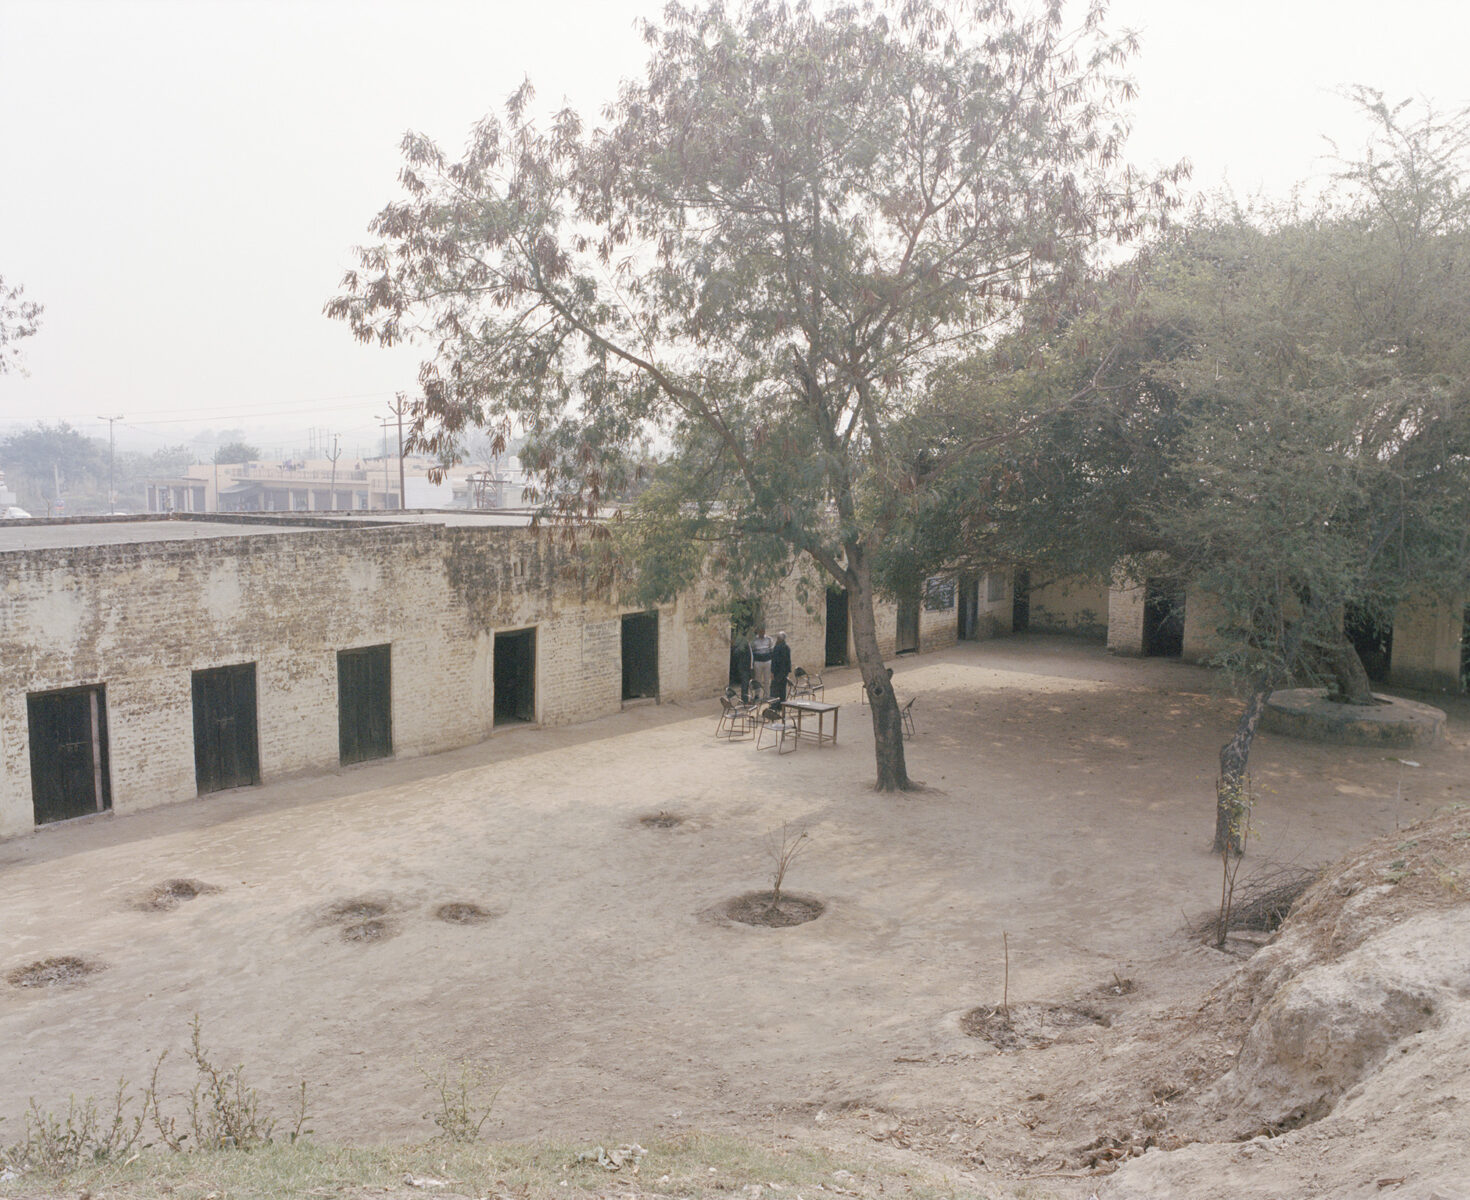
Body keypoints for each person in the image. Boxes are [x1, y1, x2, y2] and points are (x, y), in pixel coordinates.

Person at [750, 627, 774, 693]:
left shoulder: (769, 639)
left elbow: (772, 650)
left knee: (767, 679)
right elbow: (751, 651)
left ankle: (767, 694)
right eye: (760, 631)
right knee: (758, 679)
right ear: (758, 632)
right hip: (758, 661)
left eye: (763, 631)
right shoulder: (754, 640)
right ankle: (757, 694)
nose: (762, 633)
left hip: (767, 661)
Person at [770, 631, 792, 702]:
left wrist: (772, 672)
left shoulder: (777, 648)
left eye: (778, 638)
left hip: (778, 672)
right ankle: (782, 704)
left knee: (775, 689)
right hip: (784, 672)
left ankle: (775, 705)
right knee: (782, 689)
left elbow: (775, 661)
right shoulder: (787, 647)